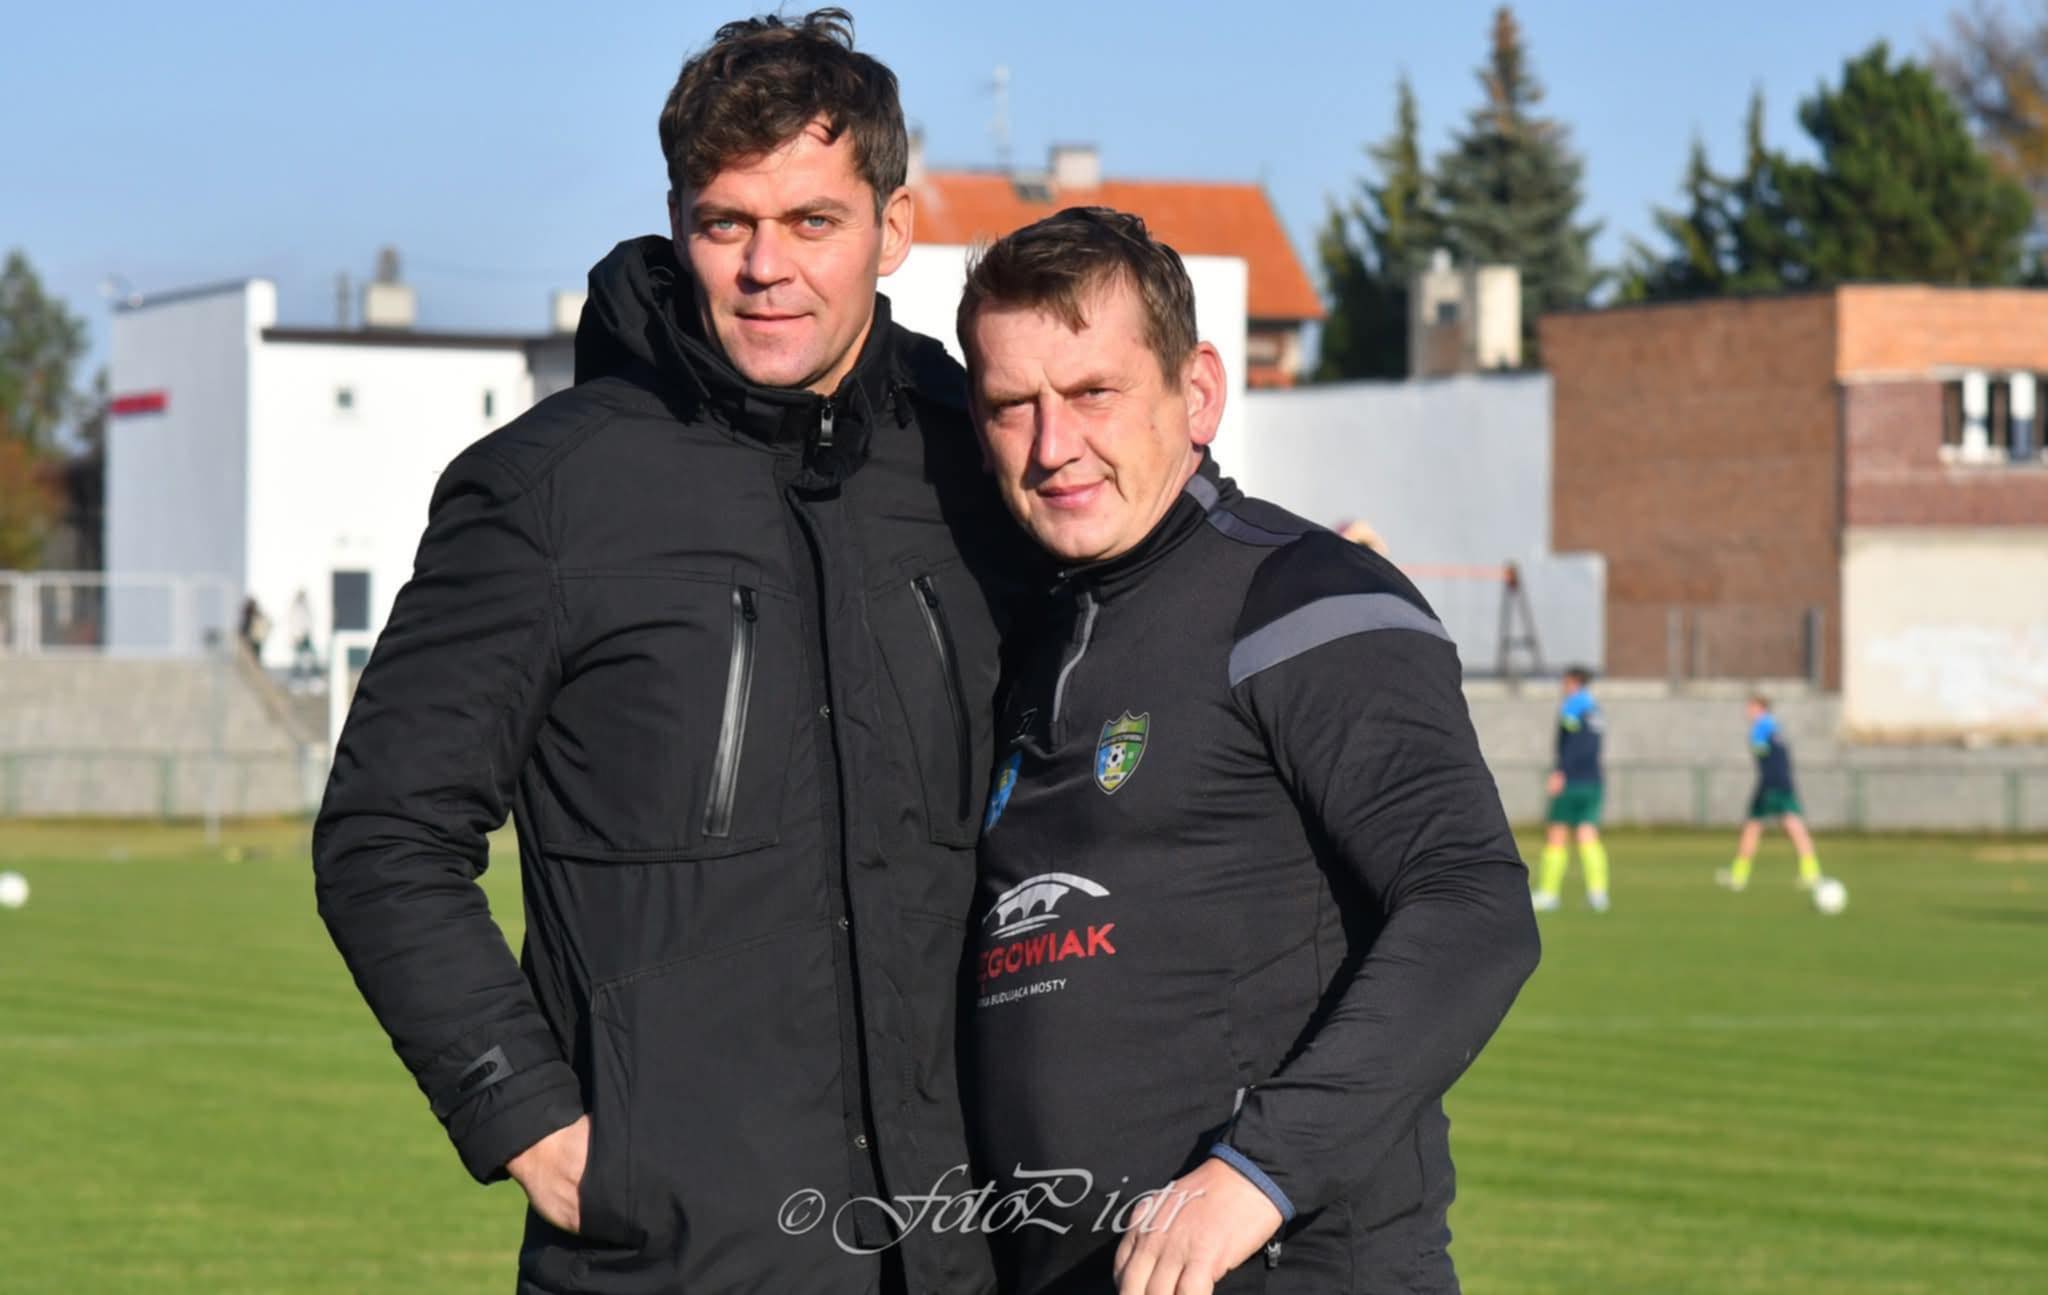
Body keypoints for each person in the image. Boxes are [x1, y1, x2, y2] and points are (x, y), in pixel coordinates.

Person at [313, 12, 1020, 1293]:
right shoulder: (547, 492)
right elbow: (383, 834)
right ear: (677, 222)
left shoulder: (973, 460)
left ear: (892, 228)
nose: (765, 266)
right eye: (724, 223)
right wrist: (526, 1116)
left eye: (810, 220)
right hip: (671, 1256)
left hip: (961, 1252)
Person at [956, 207, 1540, 1295]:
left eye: (1092, 392)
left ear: (1198, 393)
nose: (1051, 444)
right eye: (1009, 405)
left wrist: (1255, 1173)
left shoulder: (1302, 599)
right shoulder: (1025, 639)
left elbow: (1472, 904)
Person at [1718, 694, 1823, 892]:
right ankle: (1811, 872)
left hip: (1769, 784)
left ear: (1760, 708)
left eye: (1750, 707)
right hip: (1784, 783)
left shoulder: (1760, 728)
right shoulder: (1775, 727)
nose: (1747, 712)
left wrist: (1757, 748)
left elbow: (1762, 753)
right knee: (1794, 826)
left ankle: (1739, 875)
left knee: (1753, 827)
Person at [1531, 666, 1611, 913]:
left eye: (1565, 682)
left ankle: (1549, 893)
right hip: (1593, 779)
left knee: (1556, 833)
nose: (1563, 687)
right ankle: (1598, 893)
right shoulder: (1595, 709)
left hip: (1572, 780)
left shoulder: (1572, 707)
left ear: (1575, 682)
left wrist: (1560, 772)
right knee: (1588, 834)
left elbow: (1570, 745)